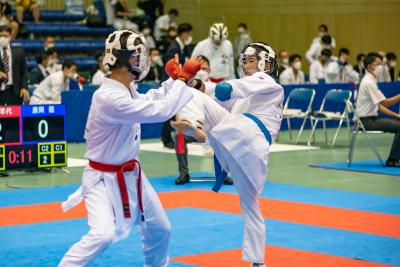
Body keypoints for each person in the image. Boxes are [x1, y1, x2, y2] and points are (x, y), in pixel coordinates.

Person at [58, 30, 201, 266]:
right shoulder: (109, 97)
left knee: (161, 229)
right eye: (138, 57)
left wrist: (173, 80)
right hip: (101, 179)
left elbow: (151, 100)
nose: (142, 61)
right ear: (126, 62)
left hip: (131, 174)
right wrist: (182, 80)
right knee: (102, 235)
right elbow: (159, 111)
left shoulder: (126, 89)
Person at [169, 42, 283, 267]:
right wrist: (189, 80)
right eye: (245, 60)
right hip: (243, 145)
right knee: (250, 207)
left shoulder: (266, 81)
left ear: (265, 63)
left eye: (251, 60)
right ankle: (258, 262)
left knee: (251, 205)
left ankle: (195, 125)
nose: (247, 64)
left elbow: (229, 89)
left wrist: (222, 88)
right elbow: (216, 92)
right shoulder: (245, 93)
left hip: (248, 134)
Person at [355, 54, 400, 167]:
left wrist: (396, 115)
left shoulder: (371, 80)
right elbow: (385, 102)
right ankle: (393, 160)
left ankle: (395, 157)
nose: (381, 67)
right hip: (366, 122)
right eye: (379, 64)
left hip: (369, 119)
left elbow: (379, 106)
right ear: (370, 67)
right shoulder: (369, 82)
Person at [0, 25, 29, 105]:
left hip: (14, 91)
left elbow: (24, 71)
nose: (2, 38)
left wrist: (24, 87)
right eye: (0, 36)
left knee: (15, 116)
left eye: (5, 36)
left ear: (10, 36)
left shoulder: (19, 52)